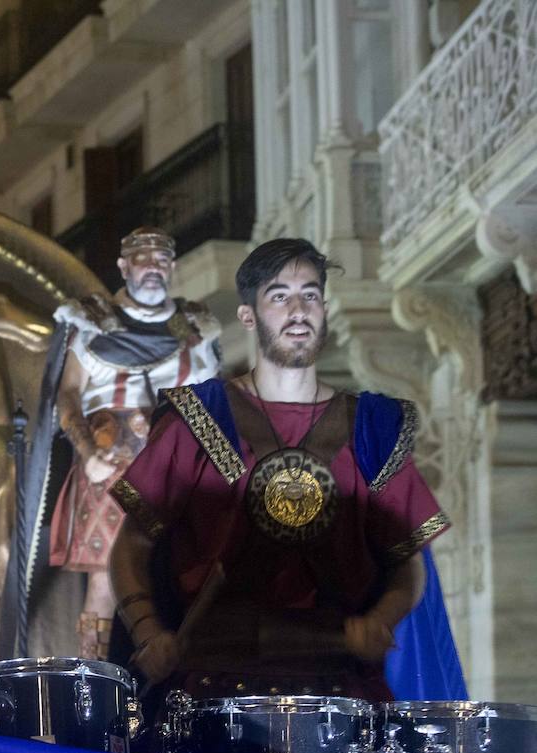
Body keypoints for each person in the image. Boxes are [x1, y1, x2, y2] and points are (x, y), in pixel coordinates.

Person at [108, 238, 460, 702]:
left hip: (342, 695)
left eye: (310, 295)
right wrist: (149, 630)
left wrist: (381, 620)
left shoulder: (371, 430)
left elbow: (407, 563)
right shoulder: (200, 420)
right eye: (279, 296)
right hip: (213, 689)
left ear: (325, 308)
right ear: (249, 316)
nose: (298, 310)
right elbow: (132, 543)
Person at [48, 227, 221, 659]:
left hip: (179, 474)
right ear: (124, 267)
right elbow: (67, 395)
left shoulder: (194, 328)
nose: (153, 268)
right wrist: (88, 455)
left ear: (172, 268)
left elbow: (215, 404)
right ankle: (96, 691)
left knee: (186, 574)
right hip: (110, 464)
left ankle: (174, 688)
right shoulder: (91, 320)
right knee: (106, 580)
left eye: (161, 261)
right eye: (143, 259)